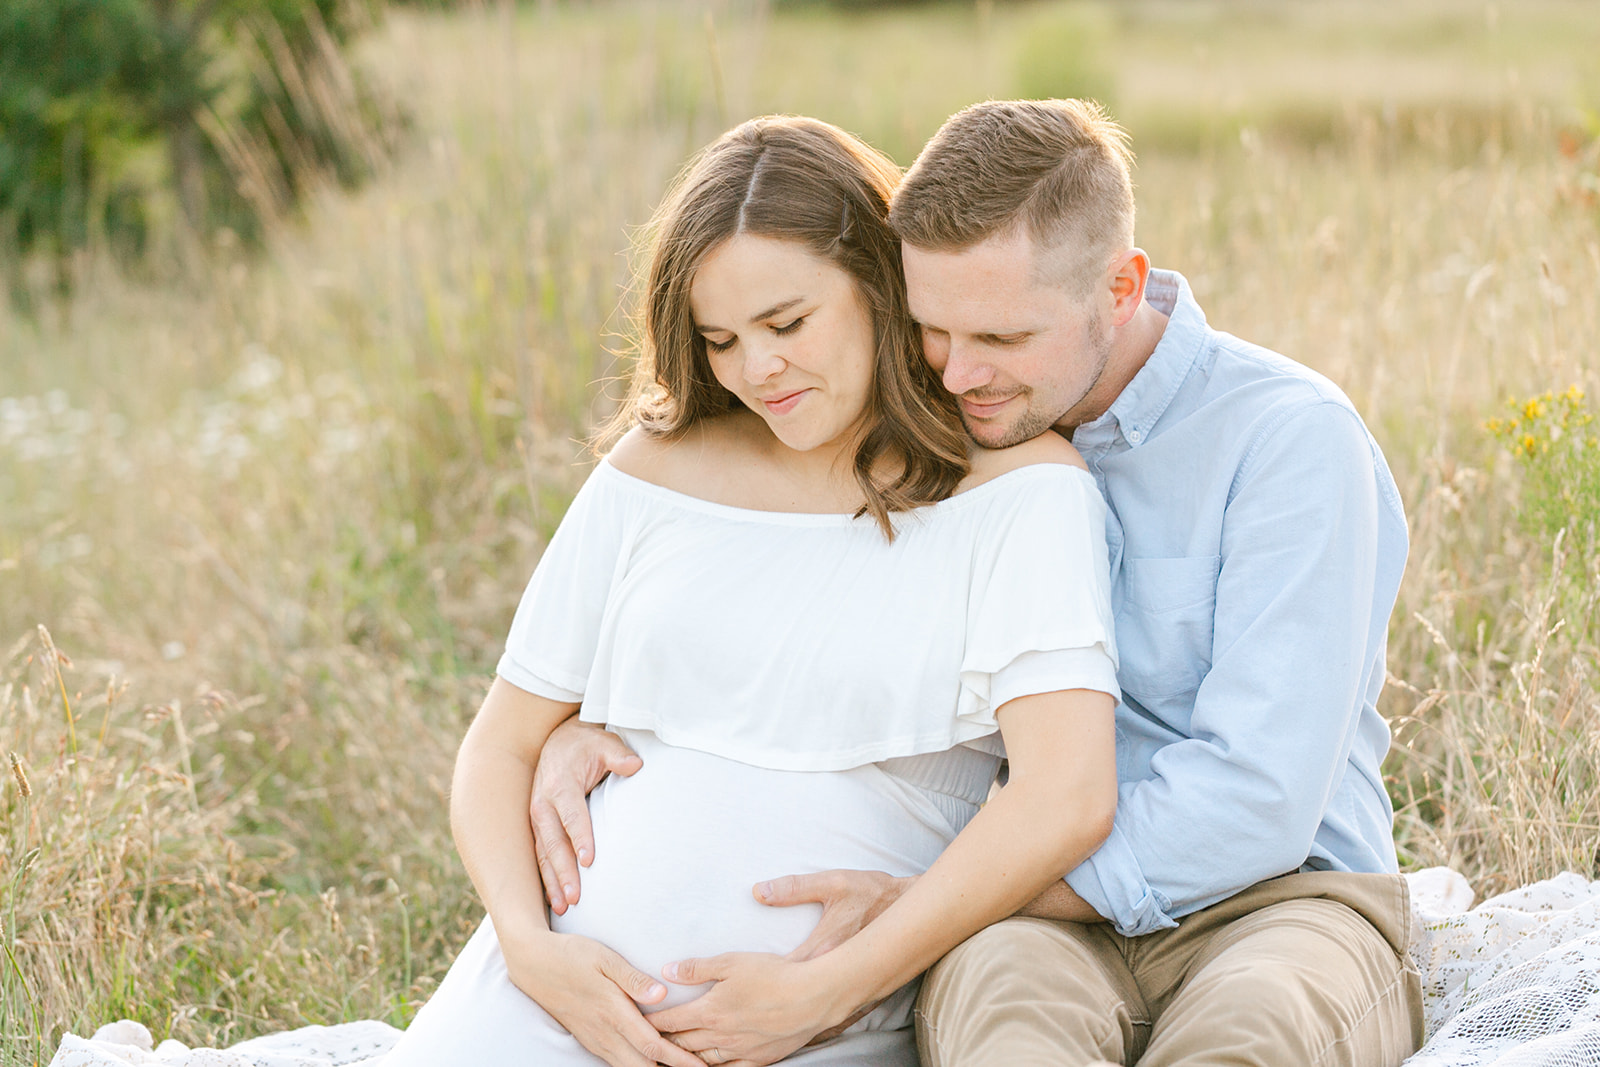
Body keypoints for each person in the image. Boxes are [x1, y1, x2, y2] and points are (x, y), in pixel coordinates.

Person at [533, 100, 1425, 1066]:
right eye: (933, 330)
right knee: (1005, 1032)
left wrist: (926, 897)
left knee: (1251, 1034)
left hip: (1281, 900)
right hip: (1030, 925)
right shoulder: (936, 437)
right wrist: (598, 719)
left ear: (1120, 288)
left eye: (1000, 338)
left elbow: (1256, 795)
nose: (958, 375)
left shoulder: (1288, 442)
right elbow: (815, 638)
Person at [381, 114, 1122, 1067]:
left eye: (787, 323)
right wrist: (529, 950)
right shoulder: (656, 467)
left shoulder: (1019, 490)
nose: (756, 369)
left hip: (814, 1019)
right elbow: (500, 746)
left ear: (881, 285)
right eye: (720, 338)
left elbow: (1065, 796)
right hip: (557, 996)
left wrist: (825, 992)